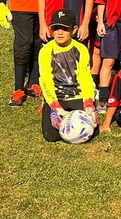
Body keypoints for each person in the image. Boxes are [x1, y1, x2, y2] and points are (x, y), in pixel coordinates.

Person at [38, 9, 97, 142]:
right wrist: (55, 106)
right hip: (57, 97)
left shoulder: (81, 49)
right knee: (51, 136)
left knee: (92, 130)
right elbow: (45, 80)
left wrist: (88, 103)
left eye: (64, 29)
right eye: (56, 28)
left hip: (77, 96)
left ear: (74, 29)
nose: (59, 32)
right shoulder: (45, 51)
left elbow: (85, 76)